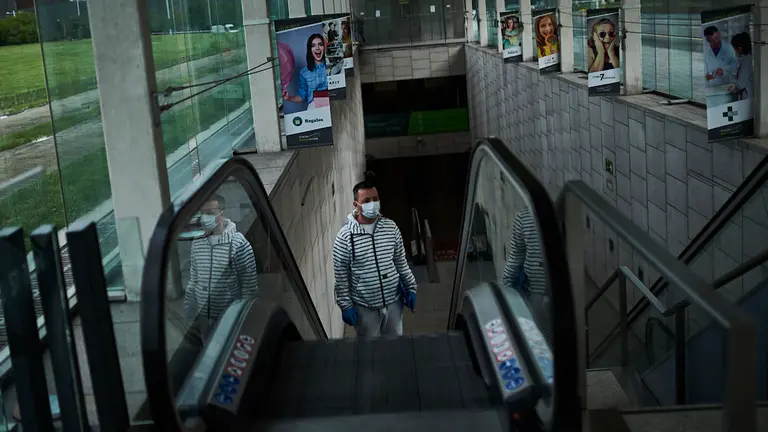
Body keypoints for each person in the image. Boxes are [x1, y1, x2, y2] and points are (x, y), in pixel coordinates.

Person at [332, 180, 418, 338]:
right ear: (356, 205)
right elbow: (341, 277)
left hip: (394, 305)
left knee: (395, 347)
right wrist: (346, 306)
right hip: (365, 310)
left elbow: (401, 263)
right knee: (370, 350)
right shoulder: (344, 238)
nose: (372, 204)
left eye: (375, 199)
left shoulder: (390, 228)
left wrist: (411, 287)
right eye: (366, 201)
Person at [184, 194, 260, 339]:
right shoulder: (197, 243)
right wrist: (189, 312)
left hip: (229, 319)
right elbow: (194, 280)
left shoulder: (239, 245)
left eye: (210, 213)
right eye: (202, 213)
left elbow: (249, 288)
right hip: (203, 318)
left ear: (221, 215)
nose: (204, 218)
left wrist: (243, 321)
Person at [501, 207, 548, 333]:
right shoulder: (523, 217)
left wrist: (506, 284)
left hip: (552, 291)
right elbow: (517, 255)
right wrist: (506, 284)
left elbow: (516, 256)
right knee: (538, 330)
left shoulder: (563, 215)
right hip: (534, 290)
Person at [282, 33, 328, 108]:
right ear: (310, 49)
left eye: (320, 44)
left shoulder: (331, 66)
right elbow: (302, 97)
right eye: (313, 45)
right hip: (314, 108)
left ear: (324, 47)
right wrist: (288, 98)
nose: (317, 48)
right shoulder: (304, 72)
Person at [728, 31, 753, 100]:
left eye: (734, 49)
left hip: (747, 97)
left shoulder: (746, 61)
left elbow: (740, 84)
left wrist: (733, 88)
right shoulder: (749, 58)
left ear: (739, 49)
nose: (734, 52)